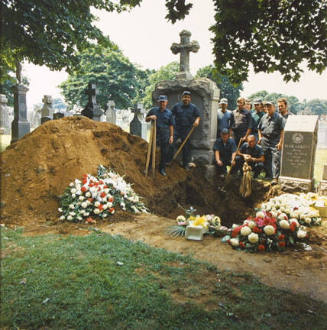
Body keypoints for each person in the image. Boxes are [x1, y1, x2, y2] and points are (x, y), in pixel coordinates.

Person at [171, 90, 200, 169]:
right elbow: (170, 114)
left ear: (190, 99)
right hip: (177, 128)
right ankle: (169, 160)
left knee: (186, 147)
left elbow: (198, 116)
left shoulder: (193, 107)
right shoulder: (177, 106)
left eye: (188, 97)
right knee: (171, 142)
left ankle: (185, 164)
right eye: (184, 97)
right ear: (182, 98)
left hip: (187, 129)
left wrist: (197, 120)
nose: (186, 99)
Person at [146, 95, 174, 176]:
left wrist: (171, 136)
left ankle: (162, 169)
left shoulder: (169, 113)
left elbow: (171, 125)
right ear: (158, 102)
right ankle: (149, 166)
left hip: (165, 134)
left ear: (166, 102)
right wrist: (150, 117)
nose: (162, 103)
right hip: (155, 134)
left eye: (163, 101)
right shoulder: (153, 110)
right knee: (151, 150)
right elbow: (146, 119)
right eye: (161, 101)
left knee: (164, 152)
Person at [258, 101, 285, 182]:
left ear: (274, 107)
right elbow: (259, 128)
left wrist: (280, 142)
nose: (268, 108)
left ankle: (275, 178)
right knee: (266, 158)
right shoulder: (263, 117)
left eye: (270, 106)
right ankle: (268, 175)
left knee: (275, 159)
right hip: (265, 140)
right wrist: (260, 138)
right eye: (267, 106)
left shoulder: (279, 117)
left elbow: (282, 131)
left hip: (275, 140)